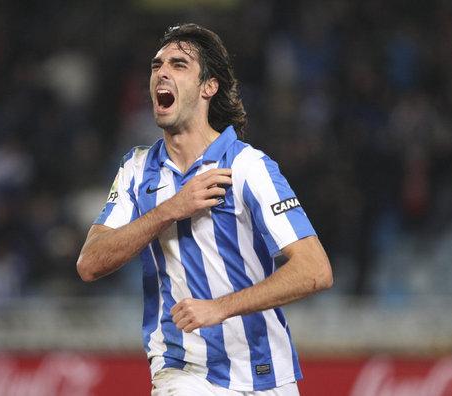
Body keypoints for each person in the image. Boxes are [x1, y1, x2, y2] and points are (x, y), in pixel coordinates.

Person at [77, 23, 333, 396]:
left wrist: (220, 308)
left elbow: (315, 270)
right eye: (156, 65)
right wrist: (170, 209)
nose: (161, 72)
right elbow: (90, 262)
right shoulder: (136, 170)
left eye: (179, 64)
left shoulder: (247, 166)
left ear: (208, 87)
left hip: (267, 374)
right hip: (184, 371)